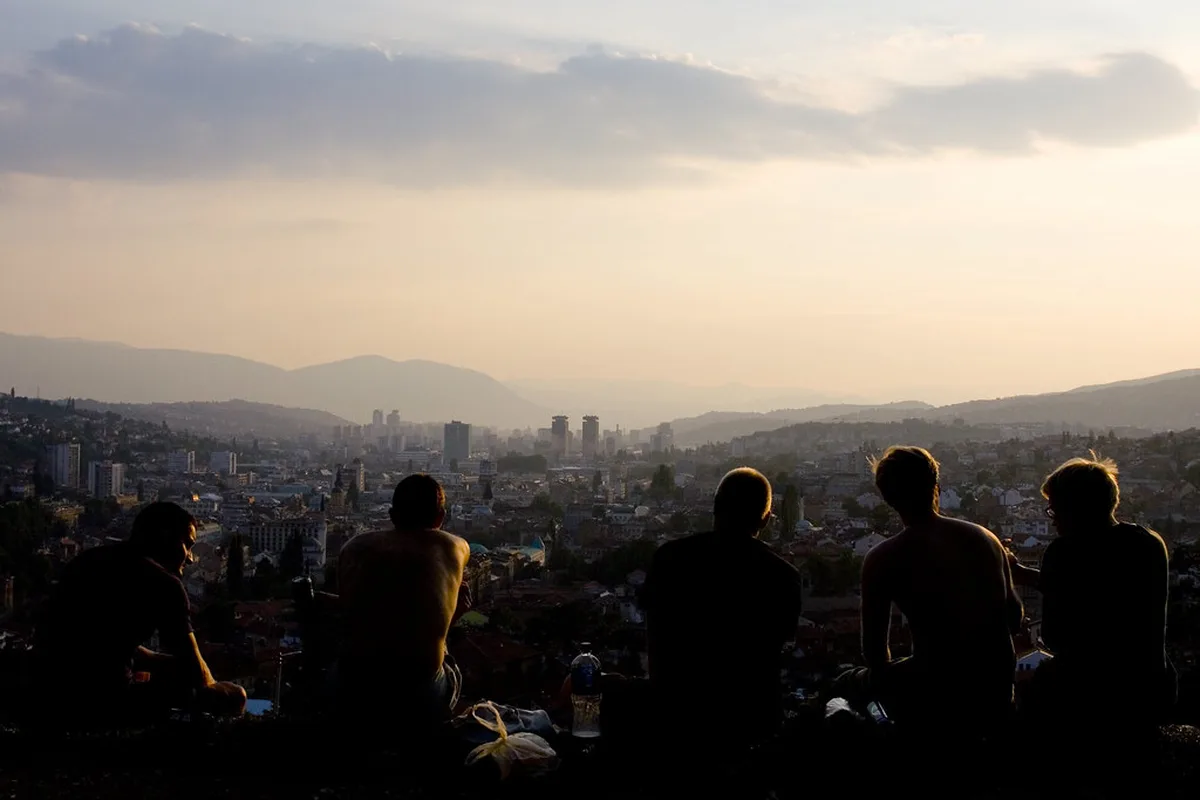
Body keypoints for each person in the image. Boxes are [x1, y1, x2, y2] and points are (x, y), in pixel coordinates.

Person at [847, 446, 1022, 733]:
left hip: (937, 691)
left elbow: (875, 653)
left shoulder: (884, 558)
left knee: (846, 684)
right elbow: (1013, 616)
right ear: (936, 485)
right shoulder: (986, 539)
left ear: (887, 497)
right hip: (996, 687)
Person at [33, 502, 246, 727]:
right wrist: (215, 684)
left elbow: (101, 640)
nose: (191, 558)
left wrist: (160, 663)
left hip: (46, 693)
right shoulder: (165, 585)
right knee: (235, 697)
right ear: (166, 537)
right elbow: (199, 676)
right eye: (188, 545)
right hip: (101, 704)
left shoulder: (90, 561)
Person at [1009, 456, 1175, 731]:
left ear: (1075, 510)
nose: (1052, 521)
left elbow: (1055, 634)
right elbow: (1095, 584)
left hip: (1084, 694)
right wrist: (1024, 574)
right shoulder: (1147, 543)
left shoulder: (1063, 553)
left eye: (1055, 511)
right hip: (1151, 688)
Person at [641, 467, 803, 746]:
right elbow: (777, 646)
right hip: (750, 721)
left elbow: (654, 639)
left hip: (675, 713)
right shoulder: (783, 577)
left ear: (714, 509)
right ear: (765, 519)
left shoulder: (669, 559)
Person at [335, 474, 471, 727]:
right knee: (444, 656)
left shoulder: (353, 548)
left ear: (392, 515)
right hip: (420, 694)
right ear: (440, 518)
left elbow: (353, 610)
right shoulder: (456, 546)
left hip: (353, 687)